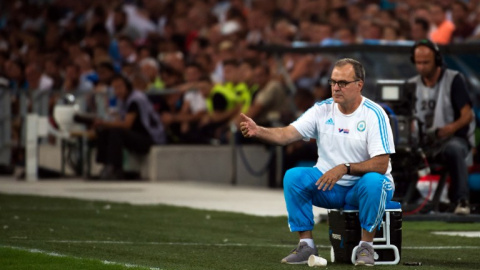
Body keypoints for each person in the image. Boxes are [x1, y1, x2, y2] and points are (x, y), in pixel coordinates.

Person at [240, 58, 395, 266]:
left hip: (363, 188)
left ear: (359, 85)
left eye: (342, 83)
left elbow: (381, 164)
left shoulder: (375, 114)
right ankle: (306, 245)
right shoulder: (322, 109)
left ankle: (366, 247)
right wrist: (259, 131)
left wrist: (345, 168)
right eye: (333, 82)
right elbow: (286, 134)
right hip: (330, 186)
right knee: (293, 177)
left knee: (375, 181)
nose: (336, 88)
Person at [409, 39, 475, 215]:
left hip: (450, 139)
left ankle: (461, 200)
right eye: (418, 63)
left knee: (454, 149)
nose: (421, 67)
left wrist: (450, 128)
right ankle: (399, 199)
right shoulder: (412, 84)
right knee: (396, 151)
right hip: (422, 142)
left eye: (426, 62)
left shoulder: (453, 79)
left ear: (437, 60)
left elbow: (467, 115)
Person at [93, 75, 166, 179]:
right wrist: (105, 124)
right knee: (105, 131)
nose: (117, 91)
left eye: (119, 87)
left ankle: (115, 168)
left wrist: (104, 123)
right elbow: (118, 120)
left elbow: (127, 124)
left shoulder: (136, 100)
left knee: (116, 132)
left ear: (127, 86)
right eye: (115, 88)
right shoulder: (123, 100)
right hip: (137, 135)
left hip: (150, 137)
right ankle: (105, 165)